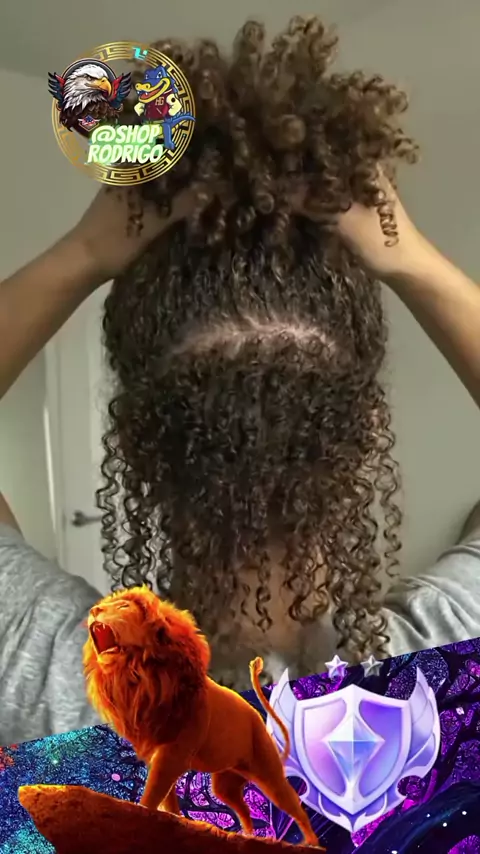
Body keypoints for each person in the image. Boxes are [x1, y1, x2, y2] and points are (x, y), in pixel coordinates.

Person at [1, 17, 480, 746]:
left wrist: (84, 253)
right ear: (367, 437)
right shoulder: (443, 678)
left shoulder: (61, 692)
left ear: (132, 445)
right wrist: (409, 257)